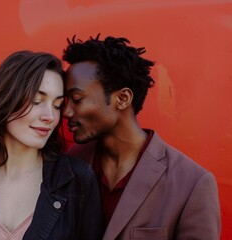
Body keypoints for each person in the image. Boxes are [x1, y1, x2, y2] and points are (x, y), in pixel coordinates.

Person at [63, 35, 221, 240]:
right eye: (65, 101)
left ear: (122, 98)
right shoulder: (71, 162)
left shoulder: (193, 183)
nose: (66, 111)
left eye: (77, 99)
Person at [0, 50, 104, 240]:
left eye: (57, 105)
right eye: (37, 101)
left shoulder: (78, 180)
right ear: (6, 100)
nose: (49, 117)